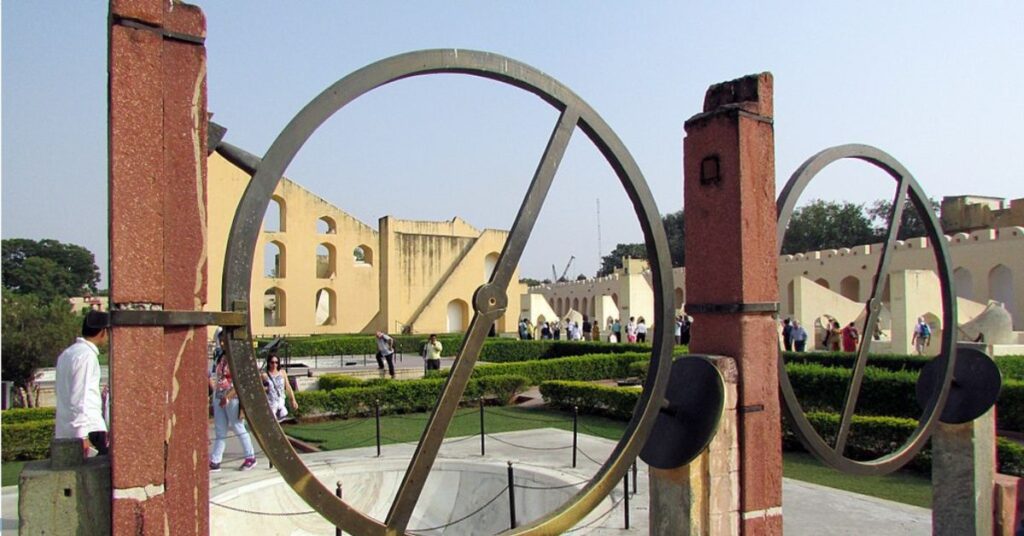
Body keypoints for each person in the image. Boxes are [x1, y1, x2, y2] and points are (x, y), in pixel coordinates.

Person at [55, 310, 110, 456]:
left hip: (65, 429)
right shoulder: (87, 356)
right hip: (88, 428)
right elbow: (81, 395)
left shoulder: (67, 354)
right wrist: (82, 436)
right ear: (103, 332)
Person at [210, 329, 257, 471]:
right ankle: (216, 460)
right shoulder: (221, 357)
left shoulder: (236, 358)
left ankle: (250, 456)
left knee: (237, 426)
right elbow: (217, 376)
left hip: (232, 397)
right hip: (219, 395)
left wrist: (228, 396)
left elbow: (240, 381)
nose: (222, 342)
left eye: (224, 340)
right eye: (221, 340)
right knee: (220, 430)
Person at [263, 352, 297, 421]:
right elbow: (260, 390)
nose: (274, 364)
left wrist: (293, 400)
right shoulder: (264, 375)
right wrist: (266, 388)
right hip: (271, 404)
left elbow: (288, 387)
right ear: (268, 363)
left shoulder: (282, 373)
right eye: (272, 362)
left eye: (276, 362)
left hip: (280, 403)